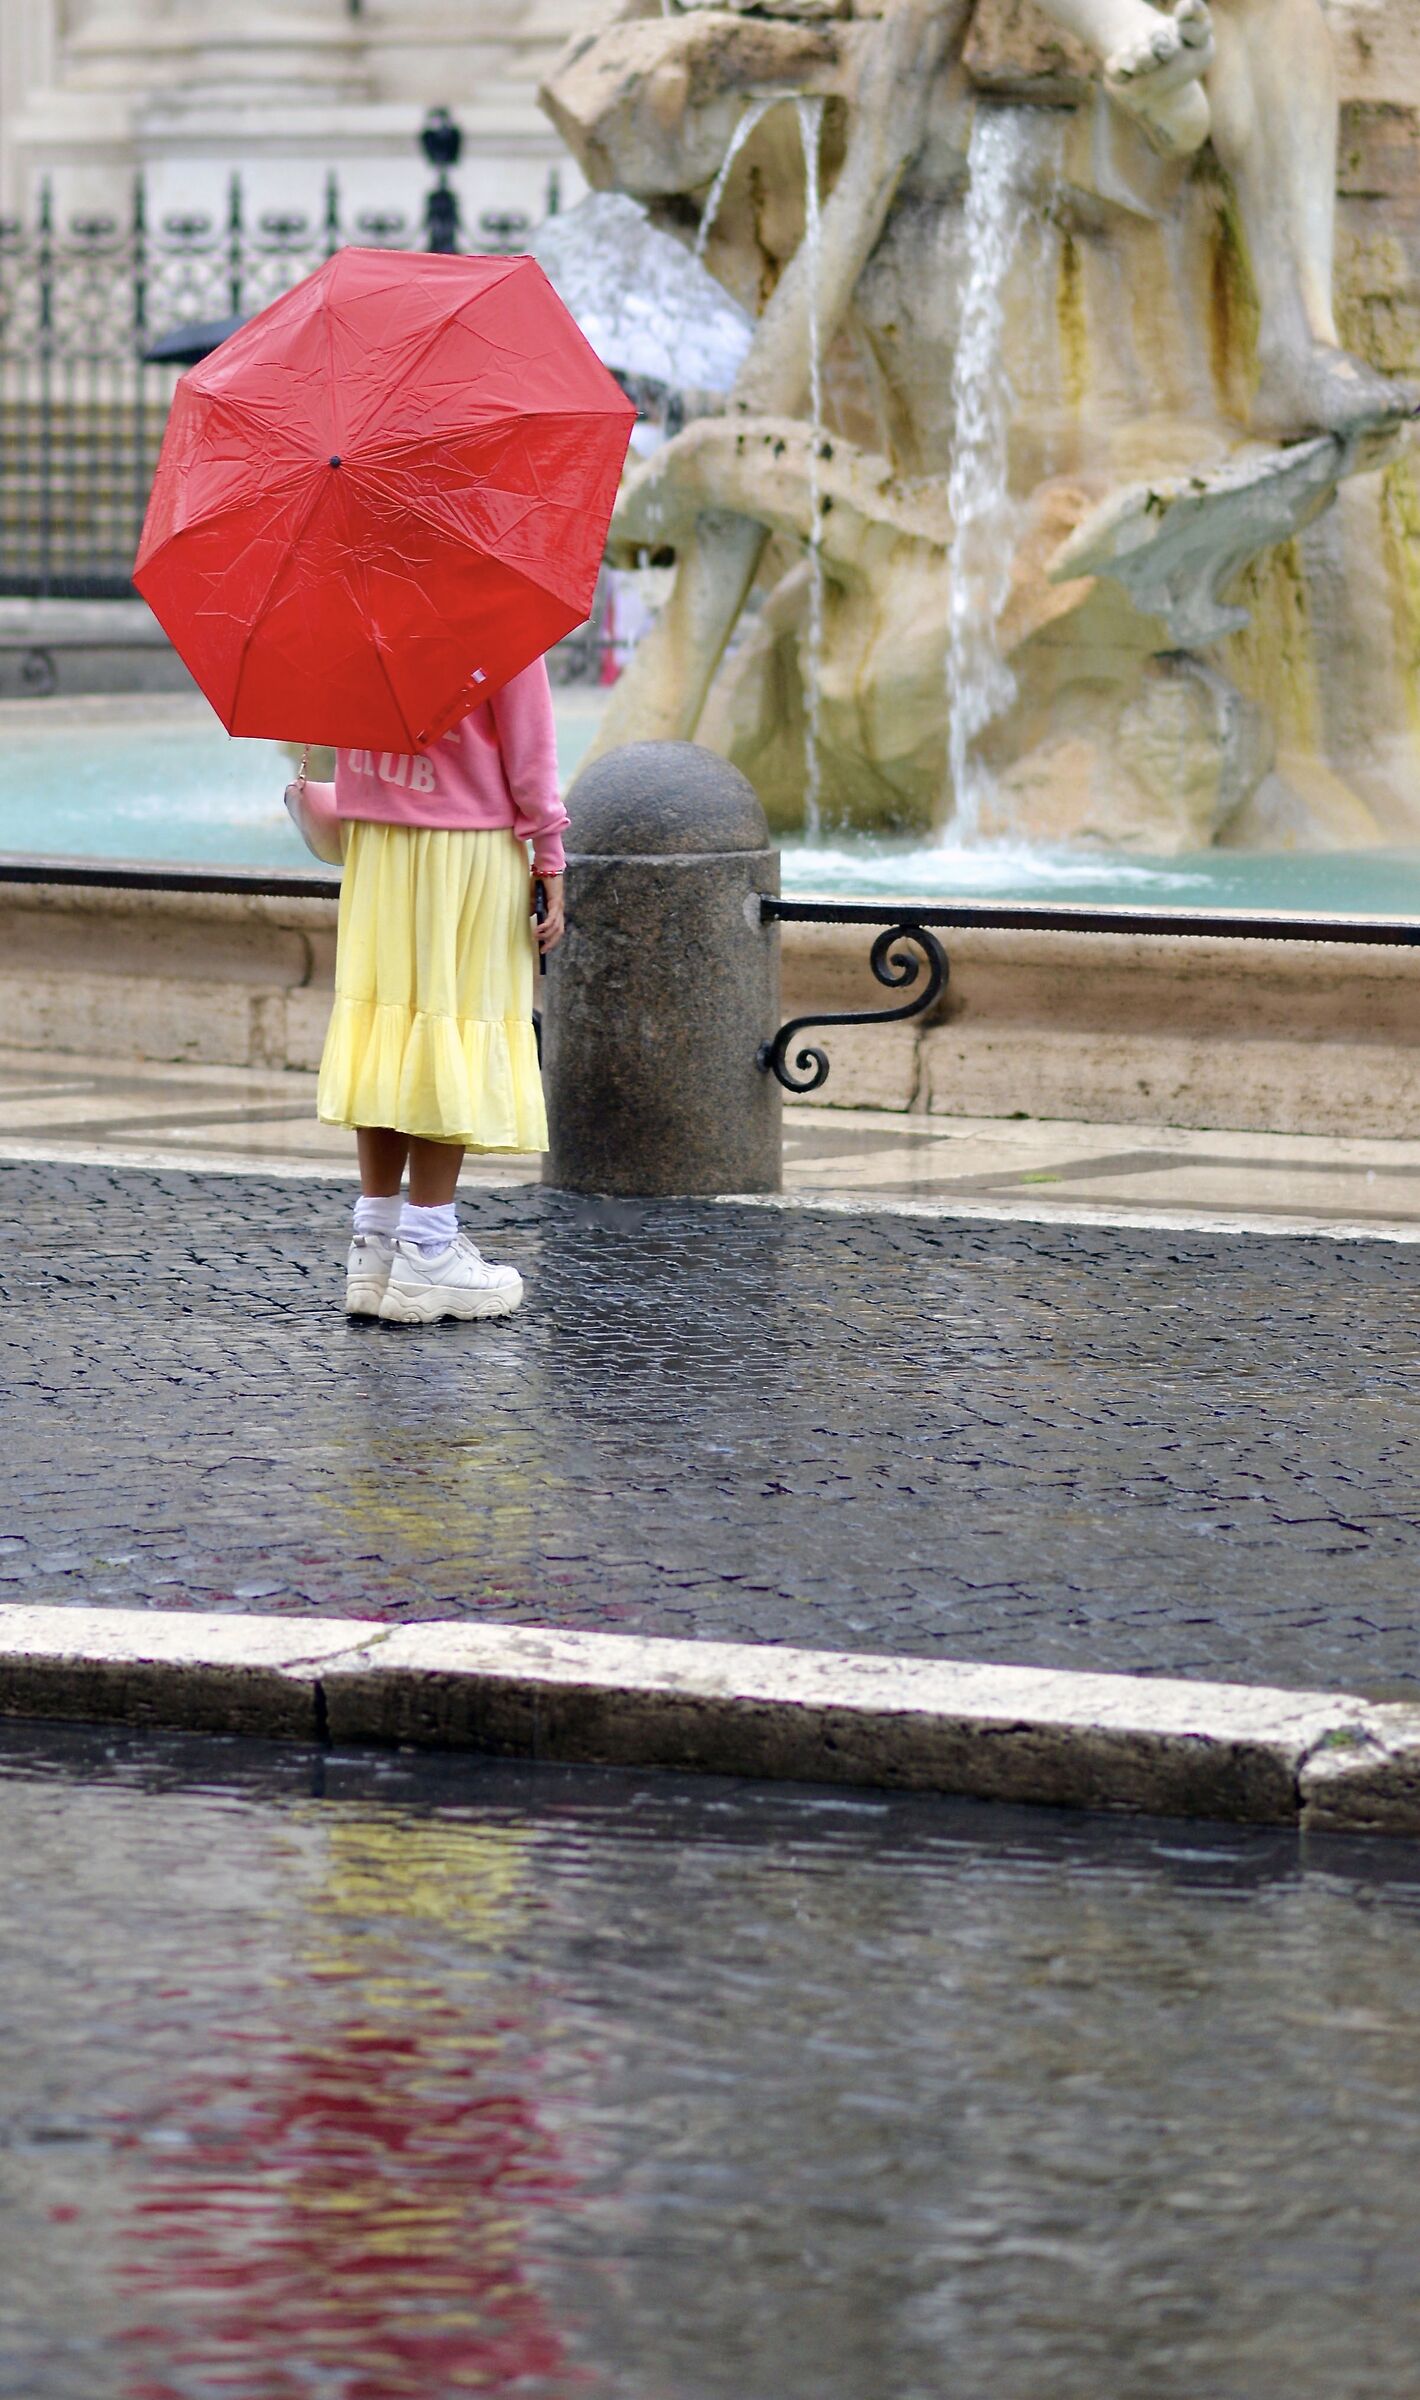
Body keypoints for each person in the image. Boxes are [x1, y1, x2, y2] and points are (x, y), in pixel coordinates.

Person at [291, 657, 568, 1327]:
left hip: (378, 840)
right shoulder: (500, 605)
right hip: (466, 846)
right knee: (451, 1019)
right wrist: (551, 855)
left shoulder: (360, 602)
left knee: (388, 1020)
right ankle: (428, 1249)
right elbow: (530, 746)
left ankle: (374, 1243)